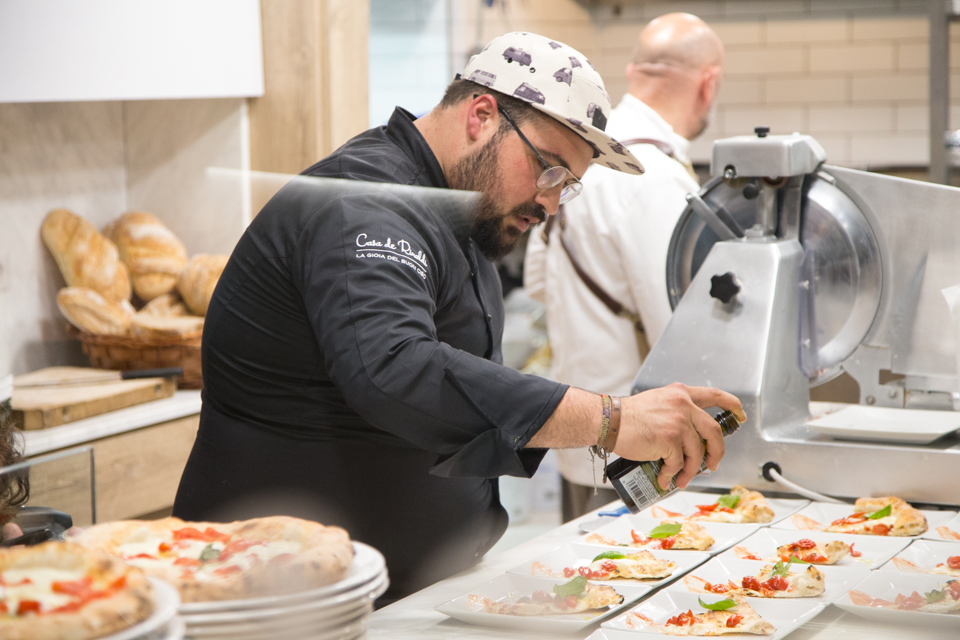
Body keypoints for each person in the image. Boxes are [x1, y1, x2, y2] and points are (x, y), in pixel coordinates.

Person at [172, 31, 743, 604]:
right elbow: (394, 369)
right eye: (548, 170)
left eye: (566, 187)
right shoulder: (364, 197)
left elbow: (457, 398)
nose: (549, 203)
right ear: (481, 115)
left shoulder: (460, 211)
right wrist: (609, 420)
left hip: (407, 589)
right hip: (282, 596)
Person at [524, 14, 725, 521]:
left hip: (577, 436)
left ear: (636, 71)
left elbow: (538, 284)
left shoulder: (581, 154)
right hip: (643, 450)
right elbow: (680, 332)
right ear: (709, 83)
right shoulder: (654, 176)